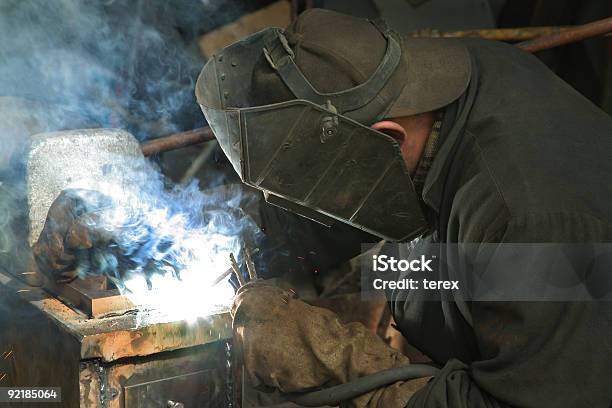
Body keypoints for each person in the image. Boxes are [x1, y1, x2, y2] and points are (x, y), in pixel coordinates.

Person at [35, 8, 612, 408]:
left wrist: (330, 357)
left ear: (384, 138)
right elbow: (332, 212)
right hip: (466, 274)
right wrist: (157, 230)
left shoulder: (532, 222)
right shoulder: (430, 97)